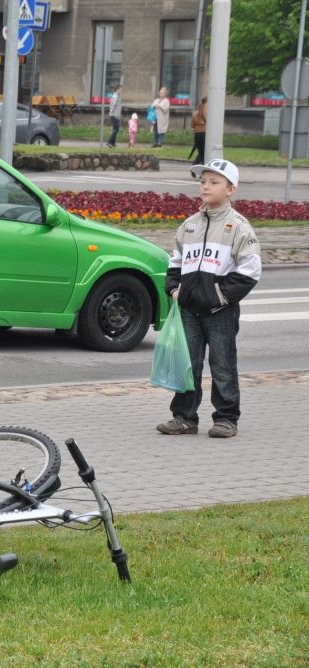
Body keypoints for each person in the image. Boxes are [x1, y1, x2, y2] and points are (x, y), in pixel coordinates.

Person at [156, 159, 261, 439]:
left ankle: (226, 419)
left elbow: (250, 271)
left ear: (230, 189)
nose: (205, 186)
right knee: (187, 363)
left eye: (214, 182)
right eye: (203, 181)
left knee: (222, 364)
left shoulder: (238, 227)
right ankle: (184, 418)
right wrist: (175, 289)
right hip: (189, 309)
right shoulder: (190, 225)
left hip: (220, 311)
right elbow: (175, 261)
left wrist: (219, 297)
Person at [190, 96, 207, 165]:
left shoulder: (195, 113)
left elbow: (192, 125)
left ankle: (195, 166)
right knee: (204, 153)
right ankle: (196, 166)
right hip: (204, 133)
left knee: (201, 153)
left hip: (197, 134)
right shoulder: (206, 111)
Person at [107, 83, 122, 148]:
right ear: (117, 89)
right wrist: (111, 112)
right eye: (120, 89)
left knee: (115, 129)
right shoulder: (115, 96)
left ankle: (113, 143)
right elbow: (112, 105)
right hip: (114, 115)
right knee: (116, 129)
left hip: (116, 115)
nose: (121, 91)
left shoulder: (116, 96)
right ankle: (109, 142)